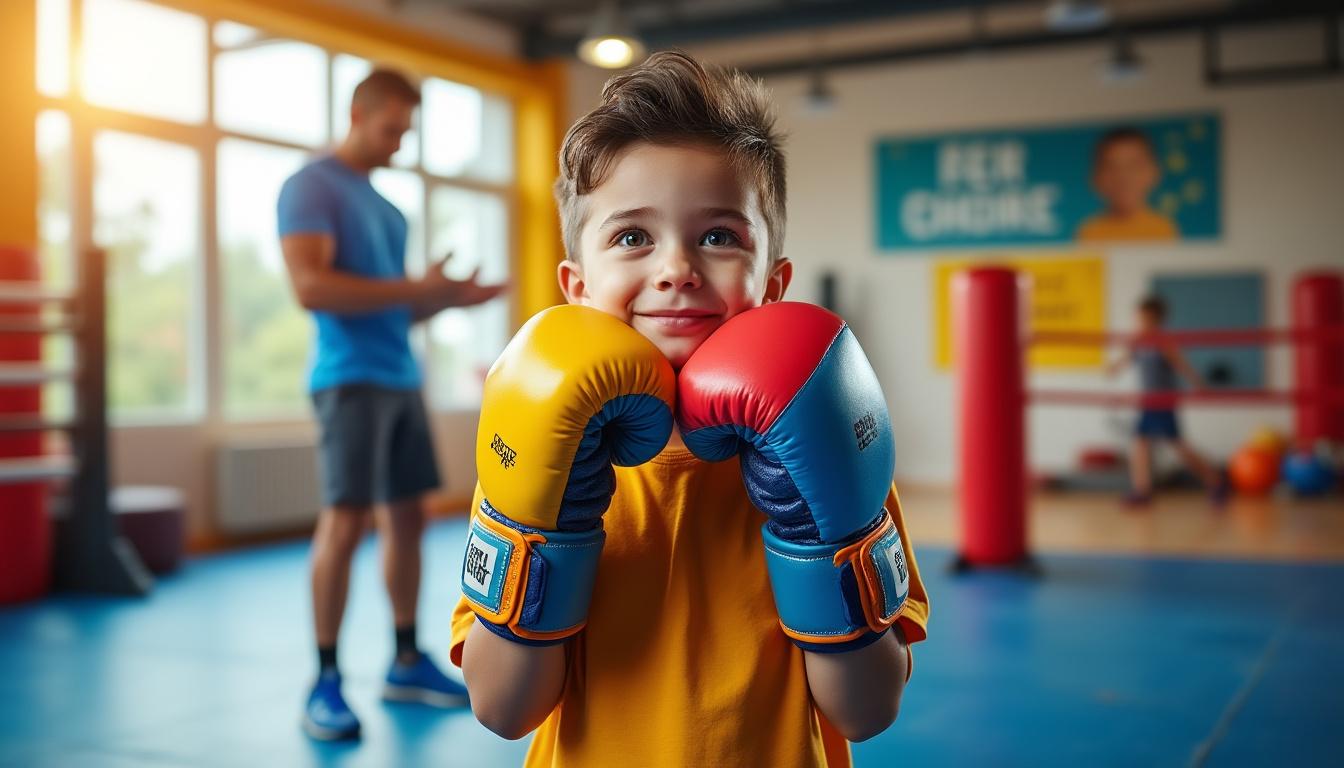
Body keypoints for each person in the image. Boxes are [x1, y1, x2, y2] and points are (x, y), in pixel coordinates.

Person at [449, 51, 929, 767]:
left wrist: (814, 534)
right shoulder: (534, 450)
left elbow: (866, 710)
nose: (676, 268)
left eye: (719, 236)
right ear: (577, 286)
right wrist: (553, 523)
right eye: (632, 237)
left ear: (774, 285)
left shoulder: (826, 450)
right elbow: (503, 707)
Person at [278, 68, 506, 741]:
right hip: (347, 379)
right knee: (345, 522)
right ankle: (324, 678)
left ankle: (406, 660)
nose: (400, 143)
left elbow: (391, 313)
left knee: (407, 519)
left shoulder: (389, 210)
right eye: (392, 129)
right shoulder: (309, 186)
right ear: (358, 112)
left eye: (407, 130)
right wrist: (416, 288)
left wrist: (444, 299)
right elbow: (312, 288)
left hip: (401, 376)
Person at [1107, 295, 1226, 507]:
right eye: (1139, 318)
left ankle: (1215, 481)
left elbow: (1181, 365)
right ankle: (1142, 490)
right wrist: (1113, 367)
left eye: (1146, 319)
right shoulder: (1138, 342)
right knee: (1141, 444)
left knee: (1177, 445)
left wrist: (1199, 385)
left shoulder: (1162, 341)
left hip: (1163, 401)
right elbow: (1122, 362)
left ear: (1156, 320)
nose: (1141, 323)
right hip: (1148, 402)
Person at [1077, 127, 1178, 242]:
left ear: (1154, 172)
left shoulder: (1164, 229)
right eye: (1111, 167)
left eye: (1134, 166)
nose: (1123, 177)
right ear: (1095, 177)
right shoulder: (1088, 231)